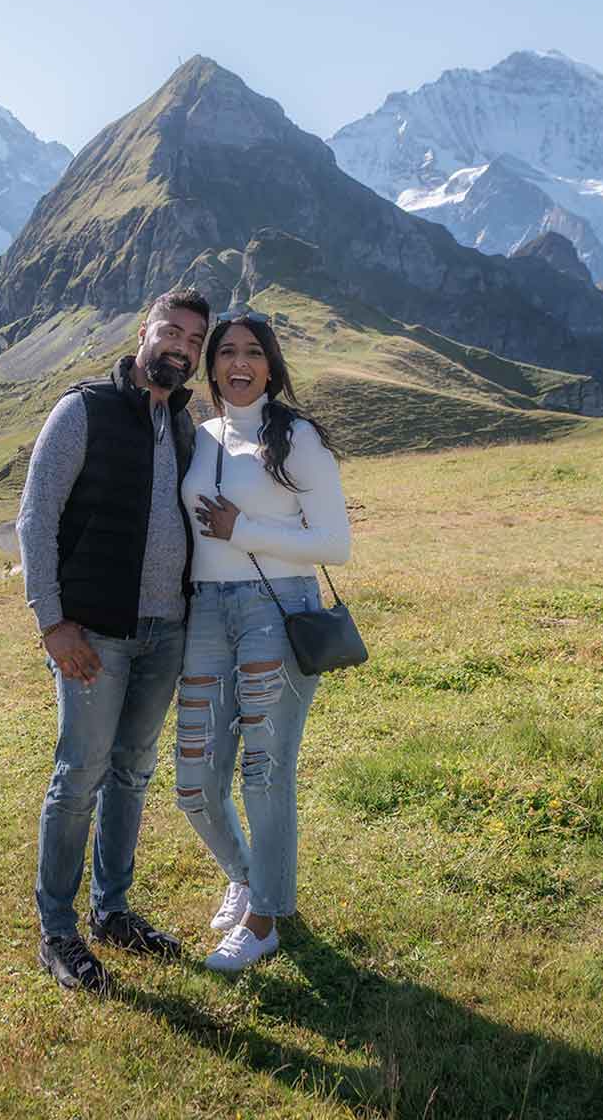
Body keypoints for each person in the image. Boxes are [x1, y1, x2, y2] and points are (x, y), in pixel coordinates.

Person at [17, 286, 211, 994]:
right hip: (94, 634)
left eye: (194, 340)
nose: (181, 347)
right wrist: (52, 620)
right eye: (172, 331)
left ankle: (113, 911)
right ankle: (57, 932)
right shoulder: (84, 411)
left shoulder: (187, 428)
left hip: (166, 633)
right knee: (79, 777)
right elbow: (36, 519)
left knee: (132, 772)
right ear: (143, 330)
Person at [176, 307, 350, 973]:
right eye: (226, 353)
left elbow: (335, 543)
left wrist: (241, 529)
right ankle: (249, 876)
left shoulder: (297, 436)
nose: (239, 363)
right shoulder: (204, 435)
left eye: (252, 352)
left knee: (263, 772)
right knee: (194, 781)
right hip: (207, 616)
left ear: (271, 365)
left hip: (275, 611)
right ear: (211, 365)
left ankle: (265, 918)